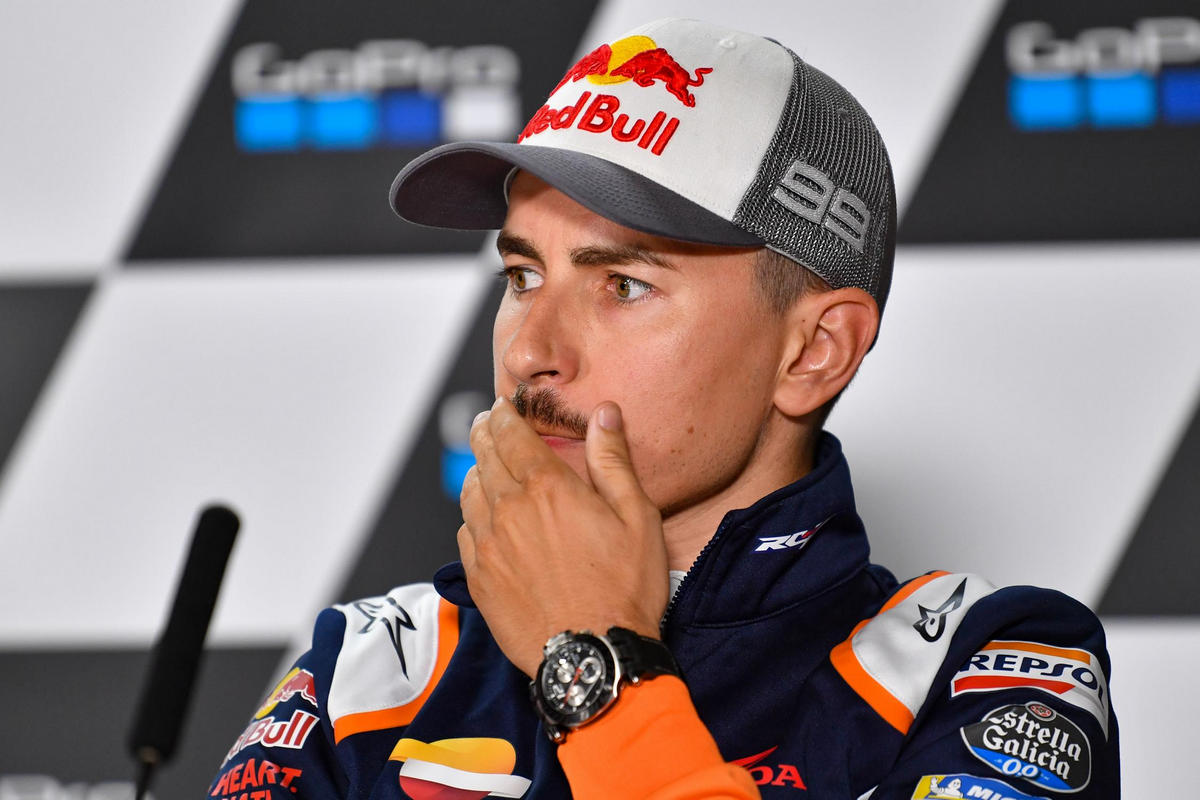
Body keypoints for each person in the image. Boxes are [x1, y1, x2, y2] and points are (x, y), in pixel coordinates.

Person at [210, 18, 1118, 800]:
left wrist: (591, 661)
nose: (529, 353)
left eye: (624, 285)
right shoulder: (371, 671)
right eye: (522, 276)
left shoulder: (983, 669)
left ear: (814, 351)